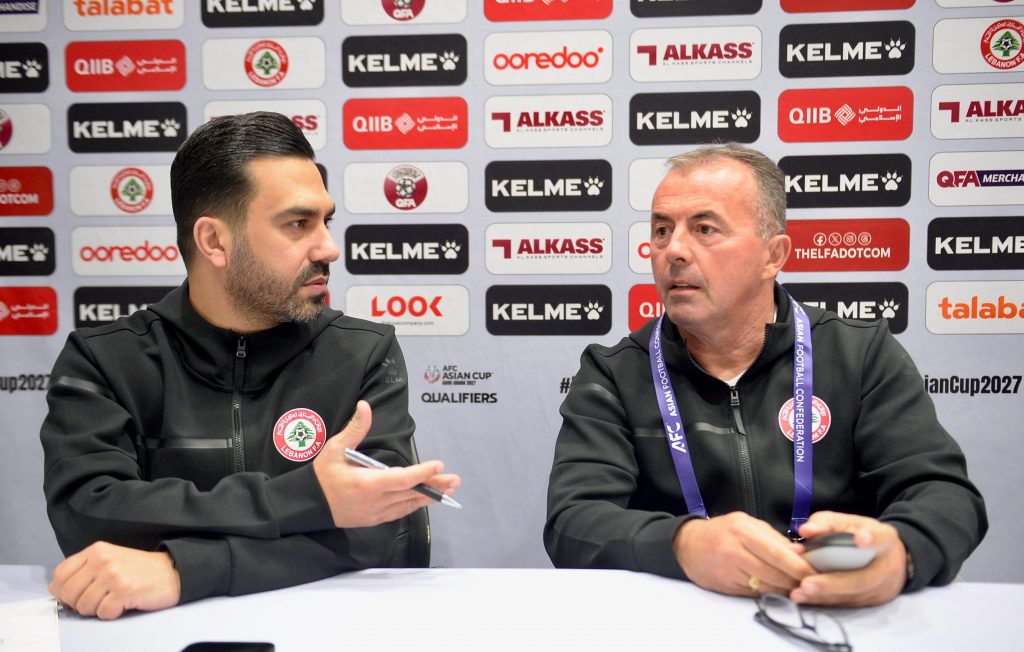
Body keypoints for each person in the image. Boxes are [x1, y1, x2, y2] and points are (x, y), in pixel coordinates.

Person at [40, 111, 460, 620]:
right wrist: (309, 499)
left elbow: (378, 532)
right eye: (298, 224)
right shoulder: (105, 359)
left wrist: (185, 571)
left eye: (325, 221)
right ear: (214, 241)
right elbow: (88, 515)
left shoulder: (363, 351)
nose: (329, 247)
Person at [544, 143, 987, 607]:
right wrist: (682, 544)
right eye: (662, 230)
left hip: (837, 613)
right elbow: (573, 523)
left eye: (704, 228)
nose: (673, 250)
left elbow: (944, 495)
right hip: (681, 619)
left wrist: (901, 552)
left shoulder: (858, 354)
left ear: (773, 256)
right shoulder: (614, 372)